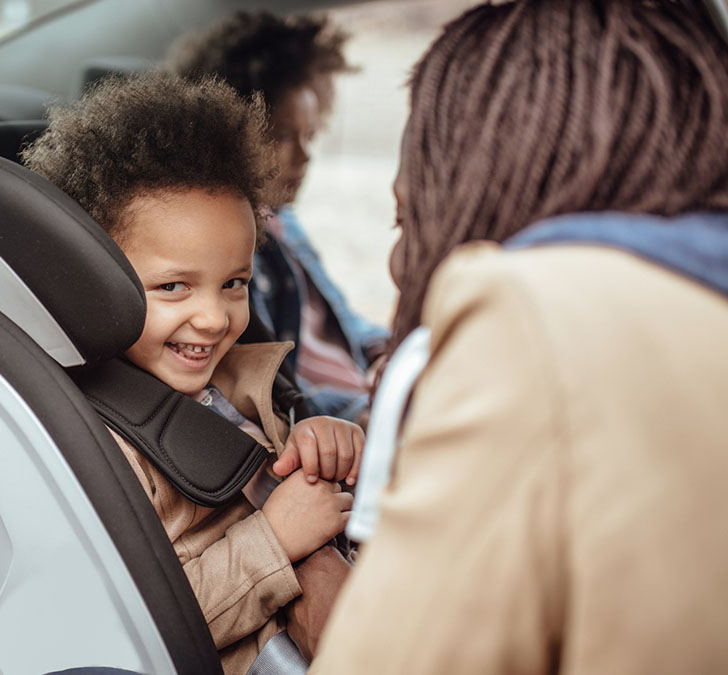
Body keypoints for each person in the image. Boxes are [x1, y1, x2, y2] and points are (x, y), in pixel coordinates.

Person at [309, 1, 728, 672]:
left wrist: (309, 592)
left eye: (407, 216)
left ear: (484, 191)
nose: (398, 260)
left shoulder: (532, 321)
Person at [23, 71, 362, 674]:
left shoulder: (232, 381)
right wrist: (276, 543)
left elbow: (276, 471)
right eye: (173, 287)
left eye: (234, 283)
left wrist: (317, 441)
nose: (213, 318)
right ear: (95, 283)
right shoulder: (105, 448)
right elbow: (144, 625)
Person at [166, 10, 388, 423]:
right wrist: (364, 411)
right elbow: (274, 389)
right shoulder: (236, 249)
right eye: (283, 136)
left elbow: (340, 321)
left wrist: (385, 350)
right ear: (230, 133)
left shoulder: (284, 222)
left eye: (310, 135)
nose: (304, 156)